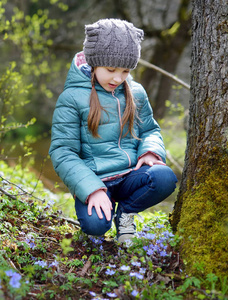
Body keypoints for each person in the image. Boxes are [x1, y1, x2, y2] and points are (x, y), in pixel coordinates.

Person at [49, 19, 177, 245]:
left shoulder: (135, 92)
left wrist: (150, 152)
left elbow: (150, 129)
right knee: (96, 225)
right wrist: (92, 189)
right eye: (110, 70)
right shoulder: (71, 98)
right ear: (94, 62)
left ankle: (125, 213)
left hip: (130, 175)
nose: (118, 78)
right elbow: (63, 152)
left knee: (165, 177)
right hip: (96, 178)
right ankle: (100, 208)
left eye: (125, 70)